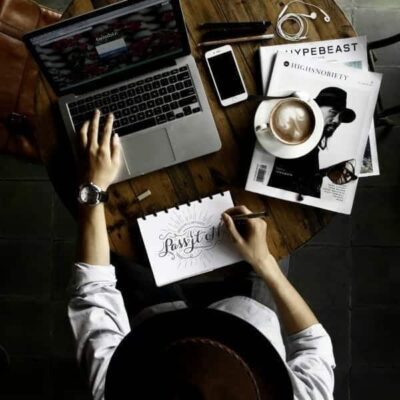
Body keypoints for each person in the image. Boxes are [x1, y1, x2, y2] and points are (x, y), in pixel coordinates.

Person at [68, 110, 336, 400]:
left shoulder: (115, 389)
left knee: (122, 237)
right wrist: (264, 262)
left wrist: (93, 188)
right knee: (266, 211)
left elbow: (93, 290)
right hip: (249, 312)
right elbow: (314, 345)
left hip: (156, 325)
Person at [268, 87, 356, 198]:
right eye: (333, 112)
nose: (337, 121)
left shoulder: (311, 148)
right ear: (316, 108)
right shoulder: (294, 142)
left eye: (341, 117)